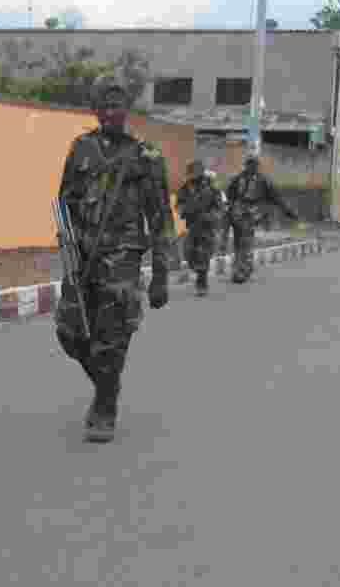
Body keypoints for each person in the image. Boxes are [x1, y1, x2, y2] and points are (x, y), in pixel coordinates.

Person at [54, 78, 174, 443]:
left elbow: (160, 216)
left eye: (118, 102)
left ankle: (104, 405)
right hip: (82, 258)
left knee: (112, 336)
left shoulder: (146, 156)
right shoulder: (81, 149)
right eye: (103, 103)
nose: (111, 110)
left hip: (123, 259)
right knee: (69, 333)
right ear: (94, 109)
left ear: (127, 109)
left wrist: (161, 274)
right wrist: (67, 255)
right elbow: (65, 204)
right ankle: (109, 384)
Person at [223, 155, 299, 281]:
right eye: (249, 164)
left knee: (246, 241)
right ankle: (240, 268)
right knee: (238, 242)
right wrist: (228, 208)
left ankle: (243, 270)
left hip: (252, 214)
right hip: (237, 213)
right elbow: (229, 195)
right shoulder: (237, 179)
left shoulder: (263, 181)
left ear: (257, 166)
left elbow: (276, 198)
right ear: (246, 165)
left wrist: (288, 211)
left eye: (254, 165)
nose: (251, 167)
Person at [176, 160, 224, 296]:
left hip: (207, 228)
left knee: (203, 255)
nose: (192, 177)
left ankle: (201, 283)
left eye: (194, 174)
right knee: (188, 252)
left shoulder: (212, 188)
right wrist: (184, 210)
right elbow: (179, 204)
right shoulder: (186, 188)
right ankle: (198, 271)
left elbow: (219, 208)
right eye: (190, 174)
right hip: (192, 226)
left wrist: (210, 216)